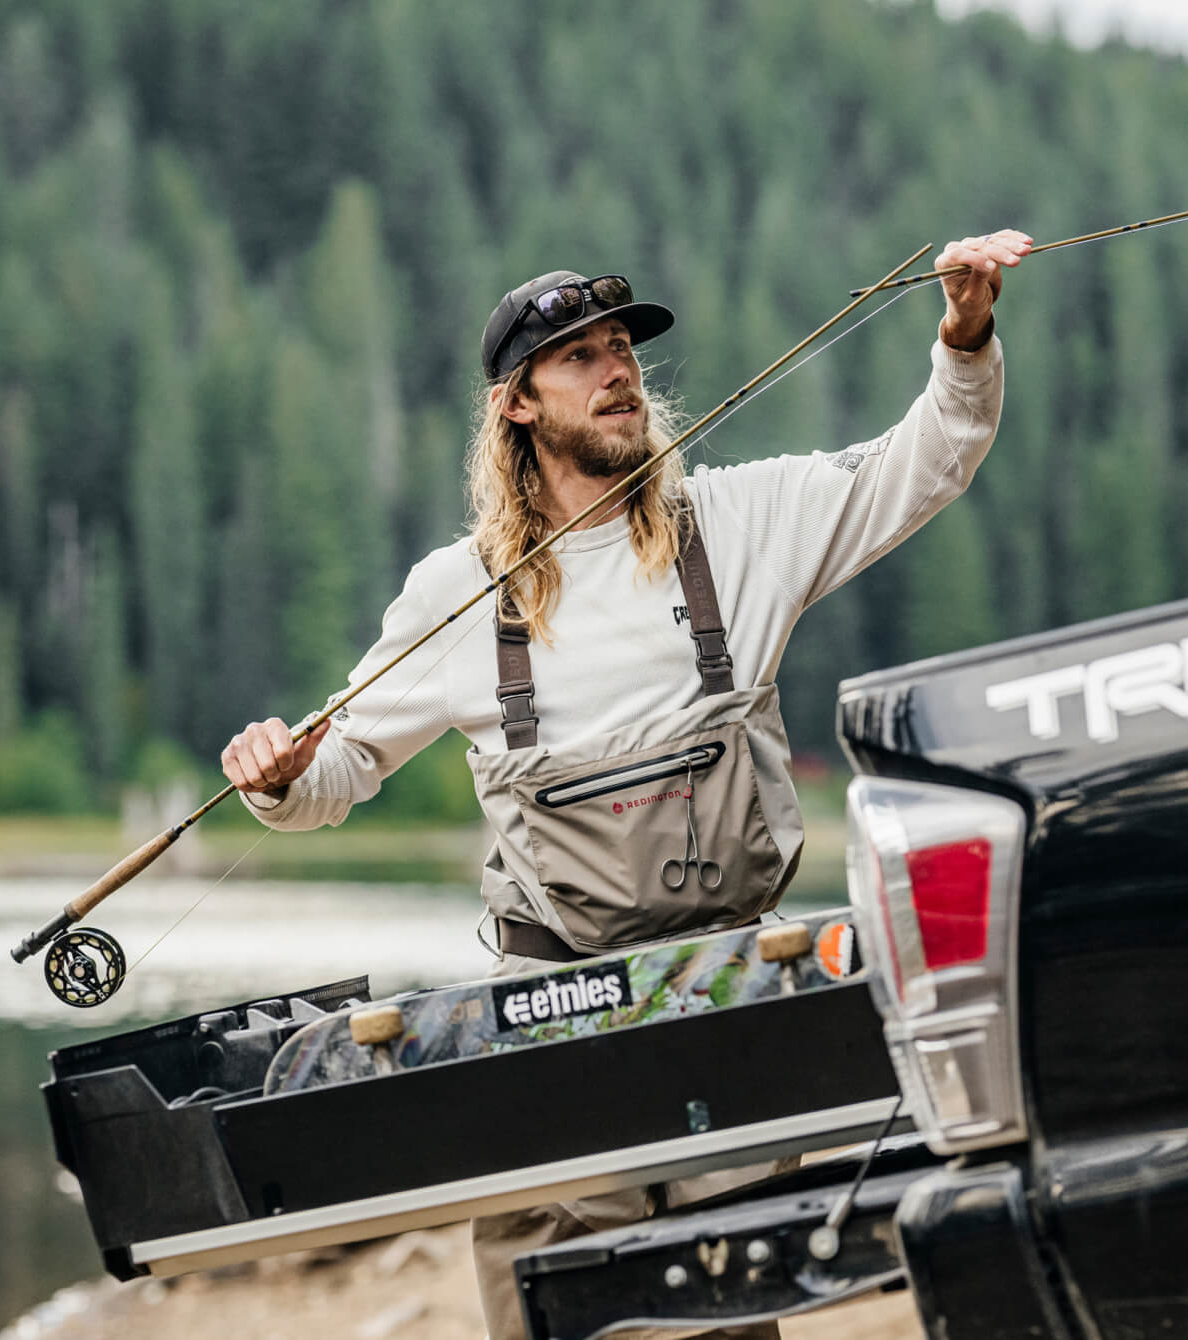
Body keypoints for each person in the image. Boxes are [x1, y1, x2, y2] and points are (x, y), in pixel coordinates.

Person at [218, 229, 1029, 1339]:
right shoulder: (453, 593)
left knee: (728, 1319)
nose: (616, 371)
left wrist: (964, 331)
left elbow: (926, 460)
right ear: (516, 405)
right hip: (540, 1031)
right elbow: (339, 768)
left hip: (726, 1002)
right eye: (579, 356)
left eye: (621, 349)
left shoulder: (744, 524)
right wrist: (279, 772)